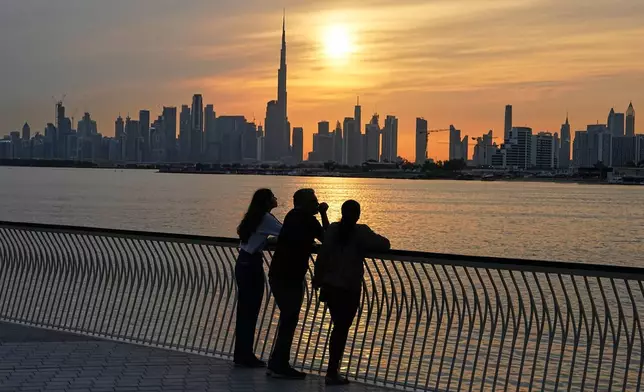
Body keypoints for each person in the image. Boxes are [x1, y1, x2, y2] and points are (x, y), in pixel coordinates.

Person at [313, 200, 390, 385]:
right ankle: (332, 372)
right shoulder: (361, 232)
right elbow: (385, 244)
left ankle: (332, 370)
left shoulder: (332, 230)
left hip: (330, 285)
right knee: (341, 329)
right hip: (349, 287)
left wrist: (318, 279)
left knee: (337, 327)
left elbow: (323, 254)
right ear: (358, 215)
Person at [267, 188, 329, 379]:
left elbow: (295, 239)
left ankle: (276, 362)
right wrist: (325, 213)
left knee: (287, 318)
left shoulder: (292, 216)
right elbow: (327, 238)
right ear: (304, 203)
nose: (316, 204)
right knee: (289, 319)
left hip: (279, 273)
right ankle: (280, 365)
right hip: (290, 276)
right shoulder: (308, 219)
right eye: (313, 201)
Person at [234, 188, 281, 368]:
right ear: (267, 202)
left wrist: (266, 241)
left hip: (243, 263)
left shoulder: (253, 216)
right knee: (251, 310)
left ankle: (242, 354)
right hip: (251, 265)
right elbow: (285, 232)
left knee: (244, 311)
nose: (276, 199)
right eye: (273, 197)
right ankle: (246, 355)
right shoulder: (266, 218)